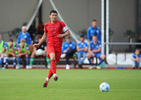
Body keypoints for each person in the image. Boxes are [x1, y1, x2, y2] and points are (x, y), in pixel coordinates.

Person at [33, 10, 70, 87]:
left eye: (55, 15)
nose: (54, 16)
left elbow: (68, 32)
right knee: (52, 57)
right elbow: (44, 35)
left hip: (58, 46)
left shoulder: (61, 23)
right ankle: (55, 75)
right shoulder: (46, 25)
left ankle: (47, 80)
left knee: (54, 65)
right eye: (53, 15)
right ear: (50, 16)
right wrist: (39, 43)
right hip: (50, 44)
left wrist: (62, 35)